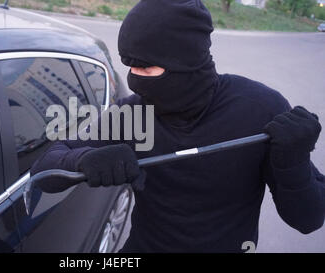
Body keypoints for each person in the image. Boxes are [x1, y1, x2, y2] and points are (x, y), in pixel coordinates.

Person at [30, 0, 324, 252]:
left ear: (186, 61)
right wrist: (83, 160)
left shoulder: (260, 108)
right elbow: (44, 171)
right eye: (129, 65)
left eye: (145, 67)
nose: (134, 78)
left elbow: (308, 219)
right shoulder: (134, 114)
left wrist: (292, 162)